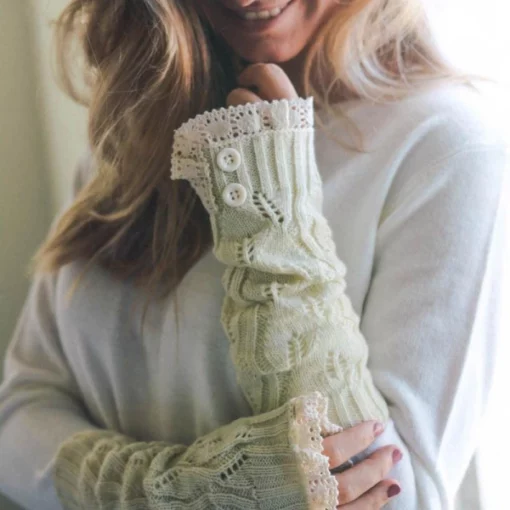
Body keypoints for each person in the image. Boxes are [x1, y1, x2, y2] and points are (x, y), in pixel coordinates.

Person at [0, 0, 507, 509]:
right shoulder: (137, 132)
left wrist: (277, 225)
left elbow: (397, 500)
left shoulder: (448, 147)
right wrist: (167, 493)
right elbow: (18, 415)